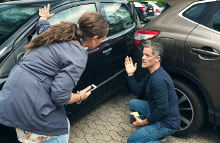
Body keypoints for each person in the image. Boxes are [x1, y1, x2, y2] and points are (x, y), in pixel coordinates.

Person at [0, 4, 109, 143]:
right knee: (62, 133)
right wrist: (79, 96)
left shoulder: (59, 33)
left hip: (12, 97)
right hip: (30, 106)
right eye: (101, 39)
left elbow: (43, 27)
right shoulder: (78, 55)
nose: (101, 43)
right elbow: (59, 96)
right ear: (94, 38)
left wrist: (43, 17)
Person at [124, 42, 181, 143]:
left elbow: (163, 110)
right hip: (155, 109)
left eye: (147, 55)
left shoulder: (158, 80)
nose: (143, 58)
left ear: (157, 58)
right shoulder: (151, 74)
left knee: (132, 141)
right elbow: (136, 90)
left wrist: (143, 123)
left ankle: (156, 132)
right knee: (133, 103)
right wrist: (130, 74)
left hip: (167, 123)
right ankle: (152, 131)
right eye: (143, 54)